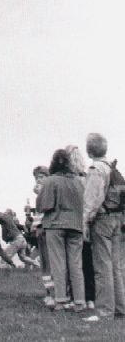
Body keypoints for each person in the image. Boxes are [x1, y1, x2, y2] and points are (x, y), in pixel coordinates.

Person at [81, 133, 125, 321]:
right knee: (116, 266)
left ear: (89, 150)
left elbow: (92, 200)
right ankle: (120, 308)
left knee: (102, 266)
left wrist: (85, 221)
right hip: (118, 219)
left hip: (103, 220)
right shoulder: (113, 169)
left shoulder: (96, 169)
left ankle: (105, 311)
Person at [36, 149, 86, 312]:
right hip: (76, 225)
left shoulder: (51, 181)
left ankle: (61, 300)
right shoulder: (79, 181)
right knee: (76, 264)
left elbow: (43, 205)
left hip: (55, 225)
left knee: (58, 264)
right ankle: (79, 301)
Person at [66, 145, 96, 310]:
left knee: (73, 263)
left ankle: (75, 296)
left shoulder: (69, 180)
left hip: (72, 223)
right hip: (87, 223)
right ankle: (91, 298)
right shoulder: (86, 178)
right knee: (88, 261)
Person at [28, 165, 55, 307]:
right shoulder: (41, 193)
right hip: (40, 229)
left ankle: (52, 294)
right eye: (36, 177)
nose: (38, 180)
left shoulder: (46, 191)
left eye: (41, 177)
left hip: (46, 228)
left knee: (49, 263)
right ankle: (49, 292)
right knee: (45, 263)